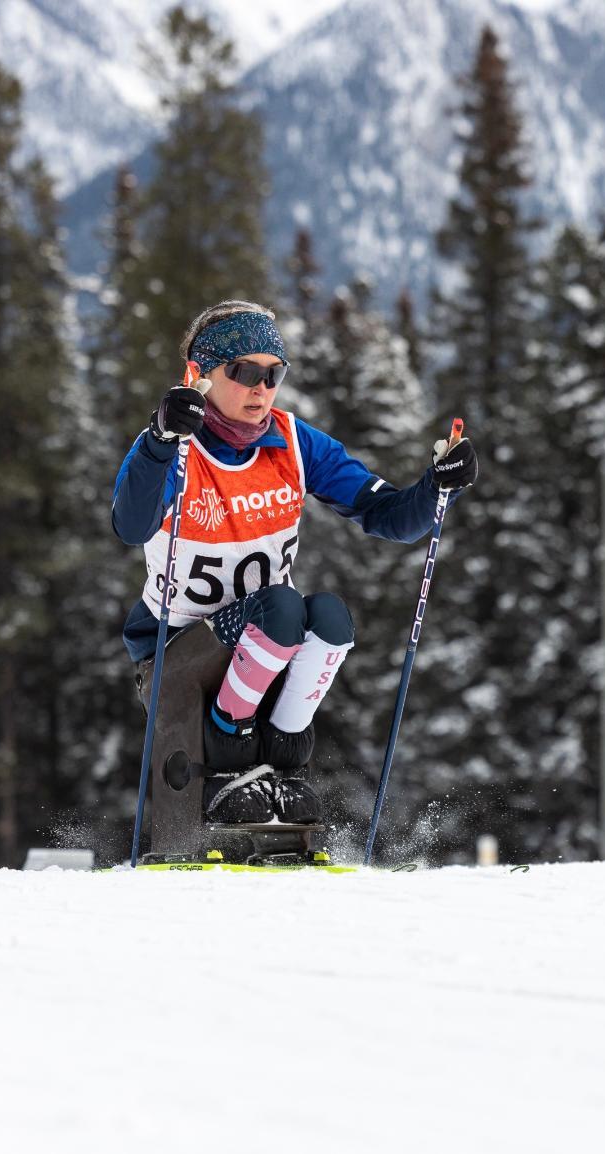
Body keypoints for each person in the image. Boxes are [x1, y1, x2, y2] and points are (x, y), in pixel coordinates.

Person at [112, 300, 477, 826]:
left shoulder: (294, 443)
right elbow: (131, 525)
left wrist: (438, 487)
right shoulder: (177, 447)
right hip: (177, 652)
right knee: (283, 608)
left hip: (261, 648)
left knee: (329, 618)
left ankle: (282, 760)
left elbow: (388, 517)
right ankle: (227, 758)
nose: (262, 388)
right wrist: (161, 442)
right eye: (244, 372)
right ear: (201, 376)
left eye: (274, 373)